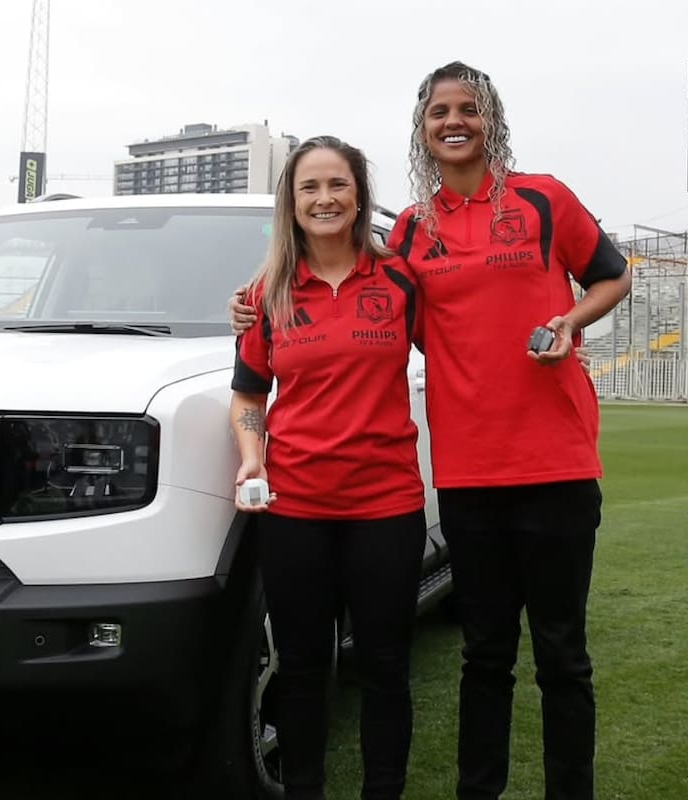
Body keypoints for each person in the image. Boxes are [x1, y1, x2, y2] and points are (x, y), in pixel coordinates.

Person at [231, 62, 632, 800]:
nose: (454, 121)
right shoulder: (412, 233)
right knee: (485, 657)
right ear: (421, 130)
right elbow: (335, 322)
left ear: (490, 118)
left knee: (563, 658)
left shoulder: (545, 199)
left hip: (558, 466)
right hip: (468, 476)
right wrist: (253, 304)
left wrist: (569, 321)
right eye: (438, 111)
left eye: (468, 108)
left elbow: (614, 273)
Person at [231, 134, 427, 800]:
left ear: (358, 194)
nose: (324, 199)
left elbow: (461, 347)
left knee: (385, 669)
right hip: (295, 511)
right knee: (305, 670)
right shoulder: (266, 293)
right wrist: (252, 455)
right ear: (291, 202)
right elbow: (249, 398)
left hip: (387, 507)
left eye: (336, 185)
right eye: (309, 187)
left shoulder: (401, 277)